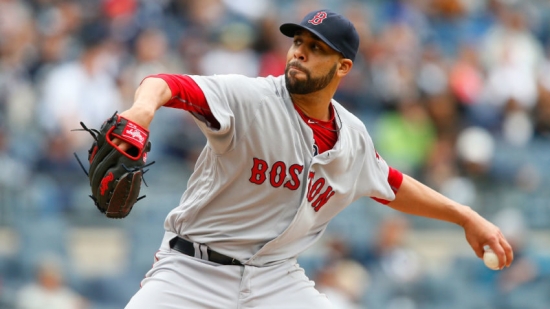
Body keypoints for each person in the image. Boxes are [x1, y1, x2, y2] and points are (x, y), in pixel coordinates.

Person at [117, 9, 513, 308]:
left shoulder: (352, 135)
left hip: (275, 279)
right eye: (298, 43)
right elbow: (165, 83)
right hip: (191, 271)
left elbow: (390, 184)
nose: (300, 54)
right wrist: (141, 113)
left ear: (343, 67)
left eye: (316, 48)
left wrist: (465, 215)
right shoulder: (251, 98)